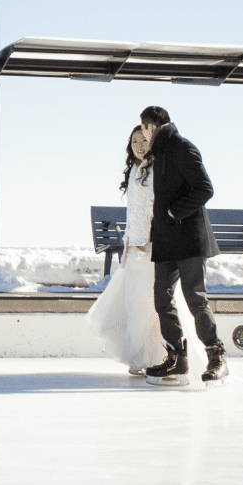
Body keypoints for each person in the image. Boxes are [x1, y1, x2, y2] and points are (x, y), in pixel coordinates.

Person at [136, 105, 227, 384]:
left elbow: (205, 188)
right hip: (166, 240)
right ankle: (177, 358)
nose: (143, 135)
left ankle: (216, 356)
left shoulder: (182, 147)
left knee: (195, 299)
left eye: (144, 129)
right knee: (162, 299)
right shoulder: (160, 153)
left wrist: (175, 212)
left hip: (187, 238)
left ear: (152, 127)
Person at [85, 118, 166, 375]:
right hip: (132, 247)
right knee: (133, 304)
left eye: (144, 141)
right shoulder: (134, 170)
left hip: (150, 248)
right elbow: (133, 213)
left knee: (148, 305)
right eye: (134, 142)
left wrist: (150, 240)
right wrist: (127, 245)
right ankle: (139, 356)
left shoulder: (156, 170)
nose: (139, 146)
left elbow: (155, 208)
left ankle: (155, 356)